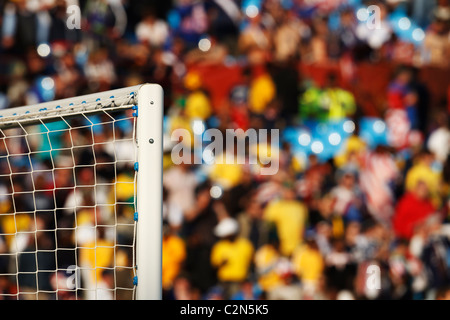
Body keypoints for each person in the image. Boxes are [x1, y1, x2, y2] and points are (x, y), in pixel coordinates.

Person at [210, 217, 254, 299]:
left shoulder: (245, 245)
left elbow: (251, 262)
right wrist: (222, 263)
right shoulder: (219, 246)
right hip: (224, 282)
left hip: (241, 282)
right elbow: (214, 265)